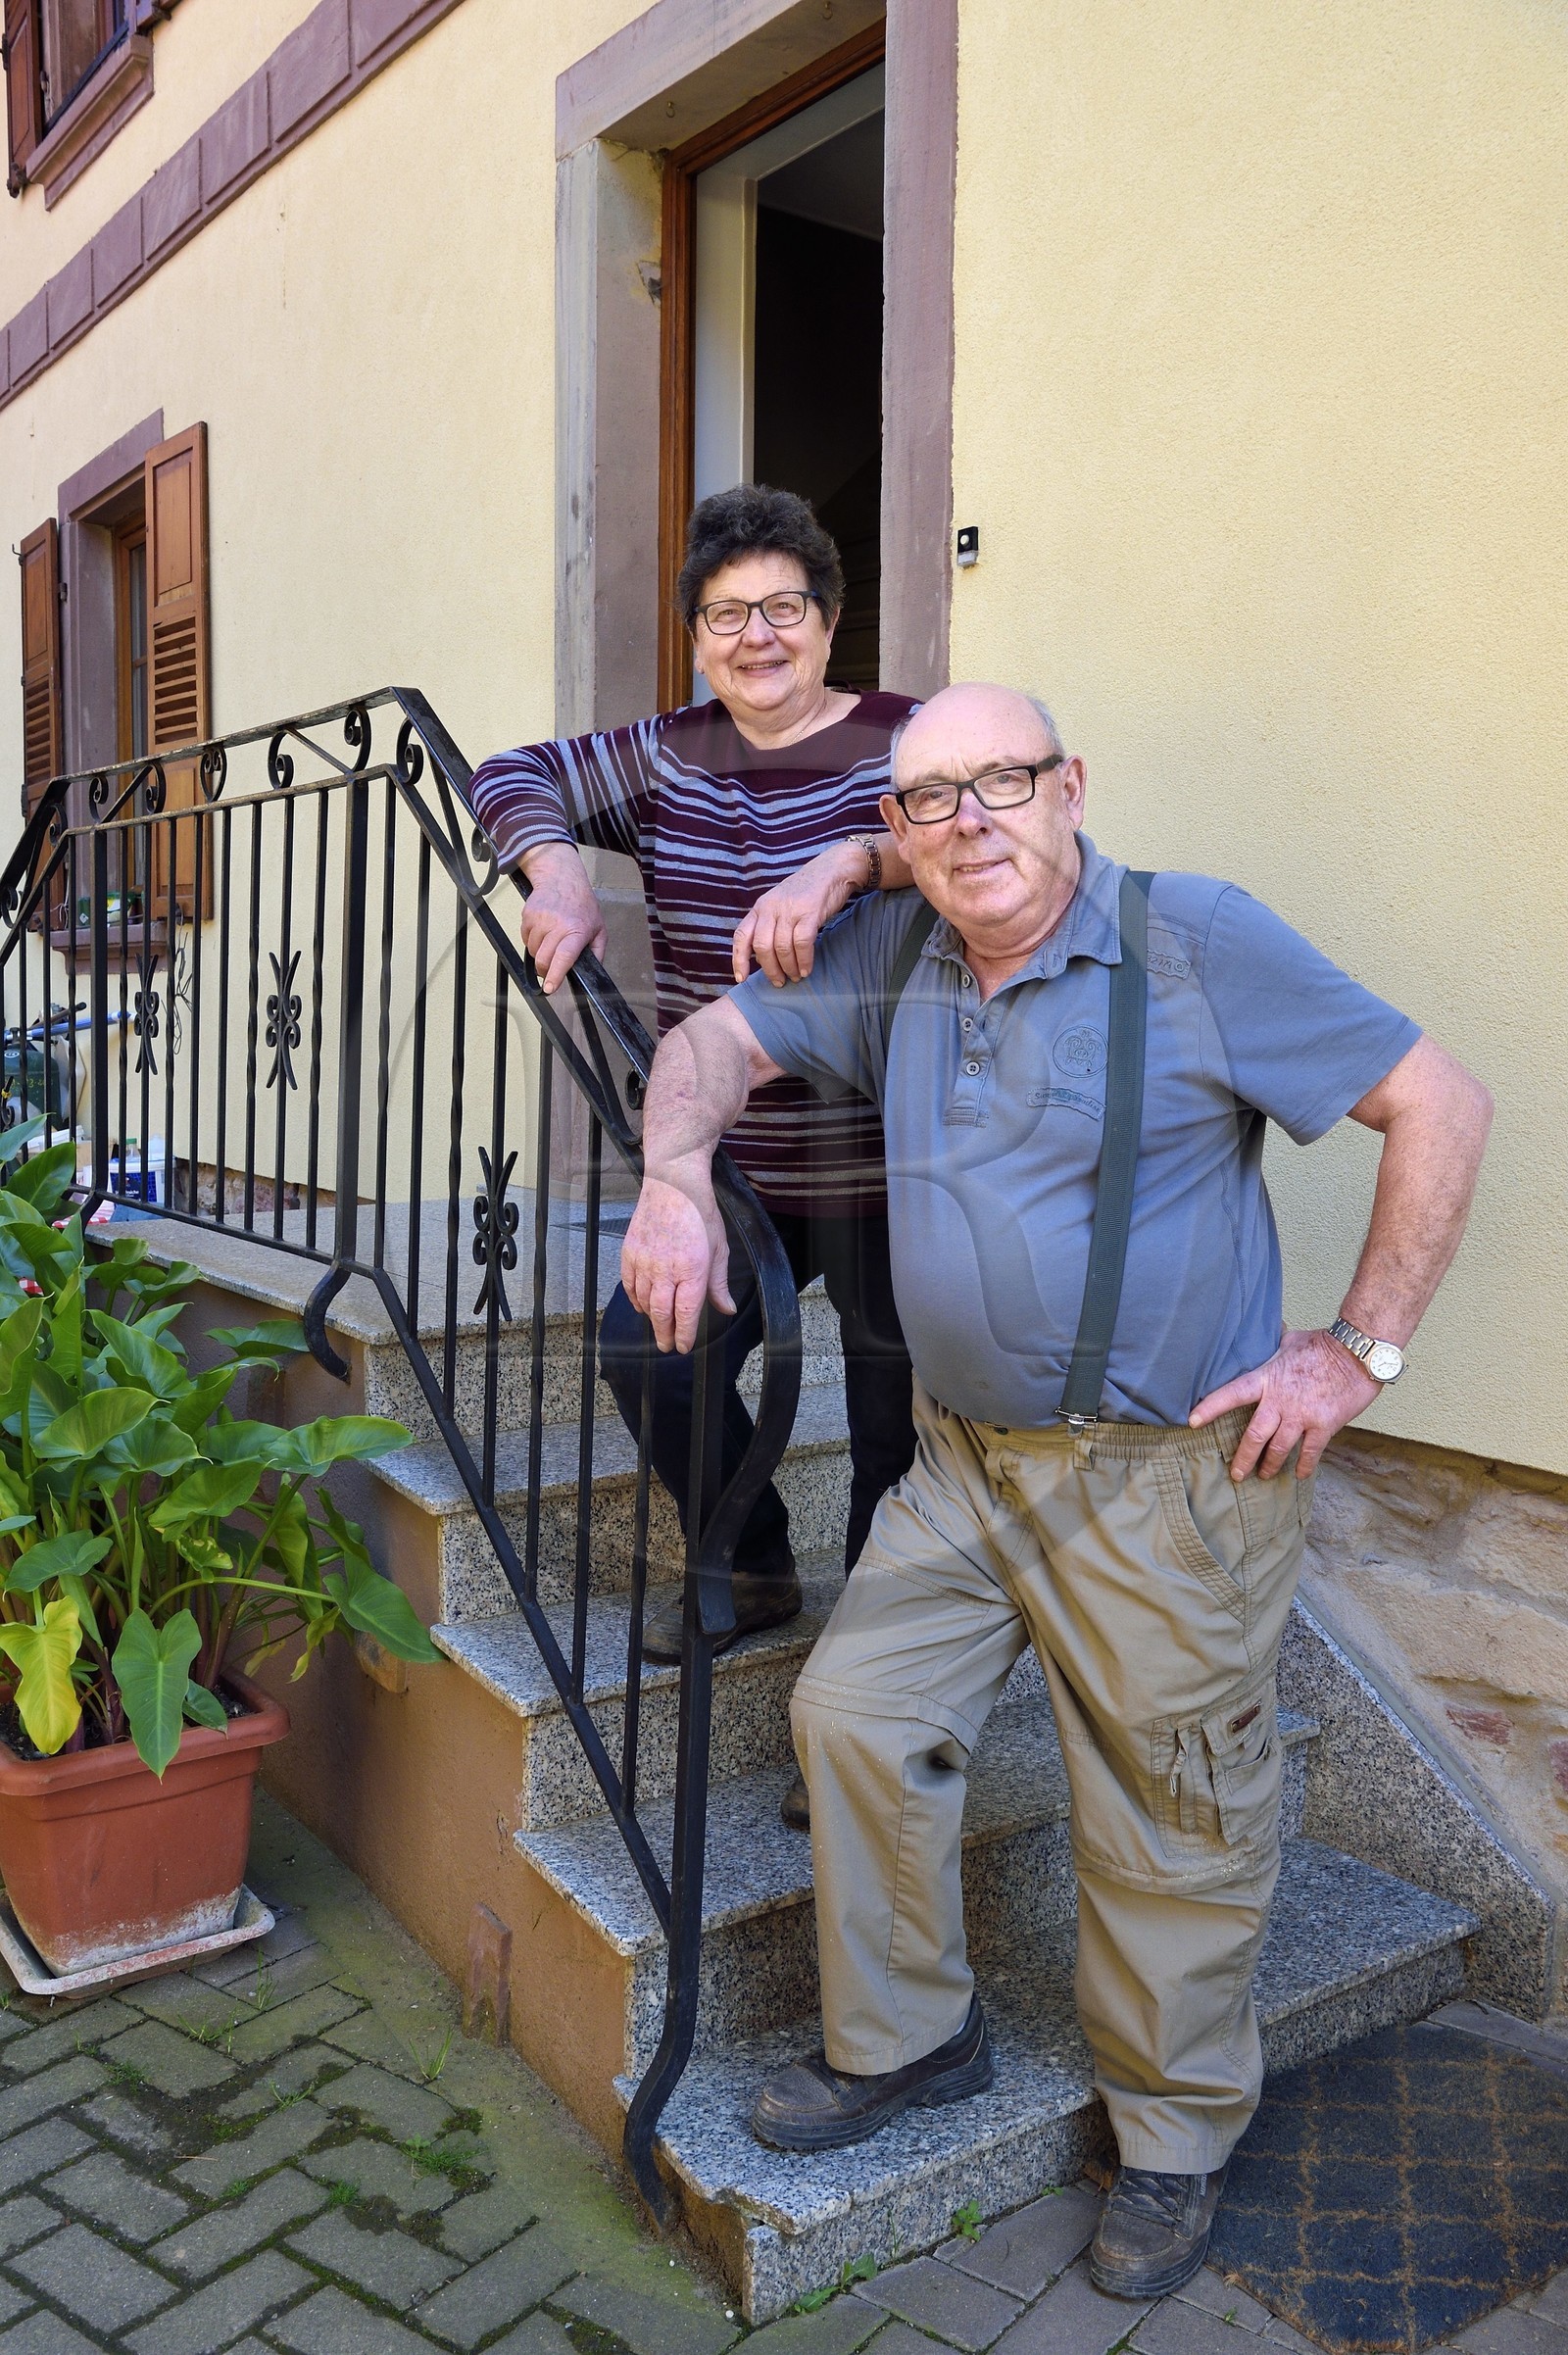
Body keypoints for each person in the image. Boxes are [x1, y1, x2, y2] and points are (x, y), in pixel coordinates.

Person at [615, 681, 1493, 2298]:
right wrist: (674, 1180)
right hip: (961, 1467)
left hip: (1166, 1487)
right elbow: (702, 1047)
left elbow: (1438, 1102)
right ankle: (910, 2041)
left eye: (1003, 782)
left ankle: (1172, 2141)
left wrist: (1354, 1354)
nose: (971, 823)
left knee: (1172, 1817)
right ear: (896, 833)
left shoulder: (1195, 942)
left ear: (1070, 784)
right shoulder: (895, 957)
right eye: (929, 801)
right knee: (855, 1720)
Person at [468, 485, 920, 1828]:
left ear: (828, 622)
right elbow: (510, 775)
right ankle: (757, 1558)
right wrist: (553, 872)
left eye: (785, 607)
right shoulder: (669, 754)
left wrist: (852, 859)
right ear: (699, 639)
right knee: (642, 1348)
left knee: (901, 1423)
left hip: (903, 1160)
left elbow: (980, 834)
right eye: (729, 616)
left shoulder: (905, 740)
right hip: (737, 1161)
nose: (759, 636)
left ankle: (873, 1692)